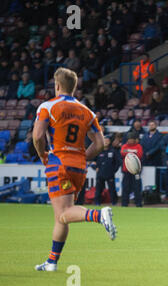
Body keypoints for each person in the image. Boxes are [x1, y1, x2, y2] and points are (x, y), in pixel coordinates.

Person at [33, 68, 116, 272]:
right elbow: (99, 144)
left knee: (64, 213)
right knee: (62, 216)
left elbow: (37, 136)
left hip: (58, 162)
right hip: (79, 166)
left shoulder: (48, 106)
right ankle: (52, 262)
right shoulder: (87, 112)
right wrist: (82, 157)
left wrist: (43, 154)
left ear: (57, 85)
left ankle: (99, 215)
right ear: (74, 87)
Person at [94, 135, 121, 206]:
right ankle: (97, 203)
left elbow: (118, 163)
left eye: (107, 141)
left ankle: (114, 202)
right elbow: (93, 161)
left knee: (112, 189)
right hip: (100, 173)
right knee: (98, 190)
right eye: (104, 140)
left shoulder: (113, 151)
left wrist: (113, 170)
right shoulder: (99, 150)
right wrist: (96, 167)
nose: (106, 142)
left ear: (110, 142)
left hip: (110, 174)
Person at [120, 132, 143, 207]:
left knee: (137, 187)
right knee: (125, 187)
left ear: (135, 140)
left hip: (136, 170)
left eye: (132, 139)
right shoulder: (124, 146)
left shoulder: (138, 146)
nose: (130, 141)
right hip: (126, 170)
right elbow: (122, 153)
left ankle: (138, 203)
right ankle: (124, 203)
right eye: (129, 139)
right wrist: (133, 152)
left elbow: (140, 155)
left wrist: (128, 152)